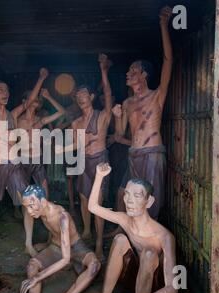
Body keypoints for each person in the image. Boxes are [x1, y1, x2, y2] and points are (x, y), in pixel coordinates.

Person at [0, 68, 49, 257]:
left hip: (15, 165)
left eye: (6, 90)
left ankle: (28, 244)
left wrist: (41, 78)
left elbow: (30, 100)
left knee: (27, 202)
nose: (5, 93)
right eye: (0, 90)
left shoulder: (13, 115)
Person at [112, 6, 173, 220]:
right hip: (133, 155)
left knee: (151, 199)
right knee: (128, 197)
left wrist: (163, 25)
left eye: (133, 71)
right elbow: (120, 134)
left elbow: (168, 61)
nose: (128, 74)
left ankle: (149, 244)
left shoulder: (157, 96)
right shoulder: (127, 102)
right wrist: (117, 115)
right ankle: (128, 235)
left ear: (144, 75)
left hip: (152, 153)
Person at [56, 53, 117, 260]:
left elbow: (108, 93)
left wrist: (103, 70)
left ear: (91, 97)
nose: (80, 97)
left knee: (97, 202)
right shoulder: (75, 123)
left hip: (99, 160)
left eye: (84, 94)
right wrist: (58, 151)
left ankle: (99, 242)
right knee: (84, 198)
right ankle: (87, 231)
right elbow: (75, 144)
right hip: (83, 162)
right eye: (77, 95)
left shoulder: (102, 116)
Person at [88, 163, 178, 293]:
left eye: (137, 196)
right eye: (127, 194)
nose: (129, 201)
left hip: (155, 288)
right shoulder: (125, 220)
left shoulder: (164, 236)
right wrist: (99, 176)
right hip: (134, 277)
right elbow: (93, 207)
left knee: (148, 254)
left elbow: (172, 289)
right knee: (120, 240)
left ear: (149, 202)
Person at [20, 185, 100, 293]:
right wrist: (46, 244)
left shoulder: (62, 217)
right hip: (56, 247)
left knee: (94, 265)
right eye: (26, 207)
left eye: (31, 206)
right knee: (32, 266)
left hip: (75, 248)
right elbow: (52, 231)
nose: (29, 211)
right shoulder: (40, 211)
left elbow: (65, 258)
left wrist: (37, 278)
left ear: (42, 201)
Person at [17, 88, 66, 199]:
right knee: (23, 191)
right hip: (22, 159)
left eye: (37, 97)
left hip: (37, 159)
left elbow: (62, 112)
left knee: (44, 191)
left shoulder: (40, 120)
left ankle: (46, 214)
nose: (36, 99)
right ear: (24, 101)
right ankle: (19, 211)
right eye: (32, 97)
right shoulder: (17, 120)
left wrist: (48, 96)